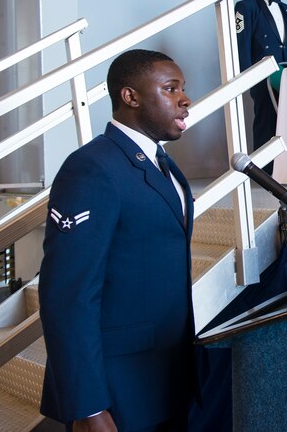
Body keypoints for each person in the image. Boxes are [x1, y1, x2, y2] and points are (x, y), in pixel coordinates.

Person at [39, 49, 196, 432]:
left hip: (167, 377)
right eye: (170, 88)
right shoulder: (92, 168)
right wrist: (89, 408)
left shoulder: (163, 164)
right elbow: (68, 296)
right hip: (118, 390)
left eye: (183, 88)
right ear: (130, 96)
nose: (184, 99)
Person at [236, 0, 287, 152]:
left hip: (286, 71)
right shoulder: (245, 7)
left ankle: (286, 166)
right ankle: (264, 169)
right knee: (265, 118)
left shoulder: (286, 8)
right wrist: (247, 77)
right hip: (262, 72)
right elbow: (242, 43)